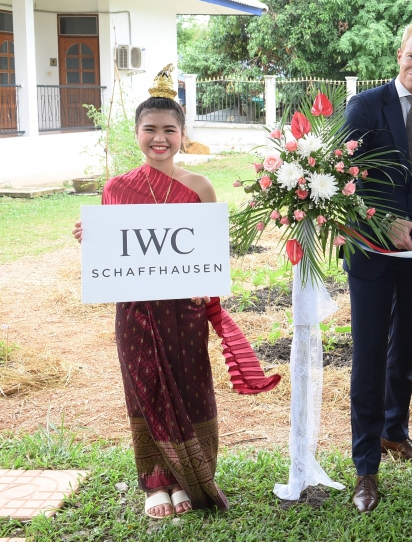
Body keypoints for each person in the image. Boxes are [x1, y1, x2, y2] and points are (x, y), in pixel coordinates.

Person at [71, 67, 275, 518]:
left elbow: (209, 252)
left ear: (183, 135)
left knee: (190, 386)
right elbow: (114, 251)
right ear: (137, 133)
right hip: (136, 311)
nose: (159, 138)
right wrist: (92, 235)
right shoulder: (115, 188)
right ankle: (155, 484)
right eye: (150, 130)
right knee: (143, 388)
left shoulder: (199, 187)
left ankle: (191, 478)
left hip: (184, 310)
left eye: (169, 130)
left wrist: (207, 289)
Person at [343, 22, 412, 512]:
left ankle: (395, 433)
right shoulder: (366, 106)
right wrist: (383, 222)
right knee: (369, 354)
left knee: (405, 348)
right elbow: (341, 178)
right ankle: (366, 468)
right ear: (399, 55)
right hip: (370, 252)